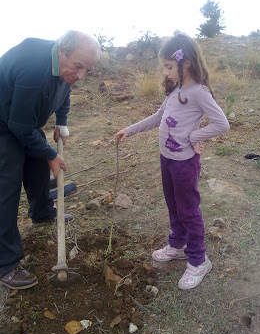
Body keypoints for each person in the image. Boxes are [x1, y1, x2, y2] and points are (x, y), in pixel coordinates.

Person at [115, 33, 230, 290]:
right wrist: (129, 130)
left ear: (185, 63)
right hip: (166, 159)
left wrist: (194, 136)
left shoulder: (199, 92)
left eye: (169, 66)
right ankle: (178, 245)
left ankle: (199, 260)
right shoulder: (176, 89)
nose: (165, 73)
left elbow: (222, 123)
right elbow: (158, 117)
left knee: (189, 210)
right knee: (173, 206)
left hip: (184, 163)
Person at [0, 30, 100, 289]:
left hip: (24, 122)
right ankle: (6, 264)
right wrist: (51, 155)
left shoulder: (64, 68)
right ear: (61, 51)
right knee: (7, 186)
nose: (80, 76)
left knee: (36, 166)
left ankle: (42, 211)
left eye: (87, 70)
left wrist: (62, 122)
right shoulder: (36, 70)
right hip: (3, 125)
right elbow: (17, 126)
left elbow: (64, 92)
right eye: (78, 67)